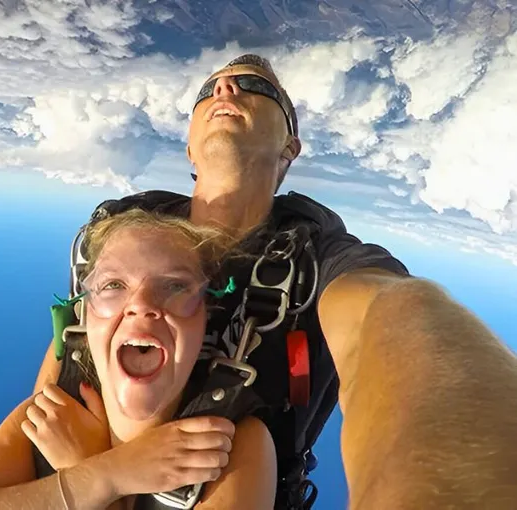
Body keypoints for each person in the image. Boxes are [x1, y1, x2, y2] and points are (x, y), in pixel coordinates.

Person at [32, 55, 517, 509]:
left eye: (253, 86)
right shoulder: (120, 239)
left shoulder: (317, 260)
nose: (224, 87)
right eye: (207, 91)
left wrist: (458, 453)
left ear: (290, 147)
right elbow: (69, 353)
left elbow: (385, 315)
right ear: (189, 147)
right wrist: (97, 476)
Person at [0, 209, 278, 509]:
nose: (141, 304)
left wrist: (86, 471)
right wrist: (108, 474)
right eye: (114, 284)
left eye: (176, 286)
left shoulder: (233, 443)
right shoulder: (50, 415)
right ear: (86, 316)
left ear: (205, 318)